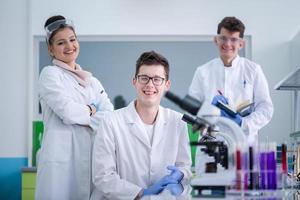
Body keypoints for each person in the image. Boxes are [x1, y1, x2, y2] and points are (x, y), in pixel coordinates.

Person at [90, 51, 192, 199]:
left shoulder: (178, 122)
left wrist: (181, 174)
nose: (150, 84)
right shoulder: (111, 121)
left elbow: (184, 166)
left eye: (157, 79)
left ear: (167, 85)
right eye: (144, 78)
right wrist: (140, 193)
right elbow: (103, 176)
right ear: (134, 81)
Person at [35, 15, 114, 200]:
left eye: (72, 39)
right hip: (61, 165)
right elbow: (68, 112)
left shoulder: (92, 81)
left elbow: (109, 115)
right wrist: (93, 110)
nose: (69, 46)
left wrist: (85, 113)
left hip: (91, 161)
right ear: (51, 49)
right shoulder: (50, 75)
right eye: (61, 43)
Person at [188, 16, 273, 144]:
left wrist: (243, 123)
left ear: (241, 44)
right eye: (223, 38)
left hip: (244, 145)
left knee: (241, 163)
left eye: (233, 39)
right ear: (216, 40)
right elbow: (190, 109)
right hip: (211, 146)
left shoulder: (253, 70)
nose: (227, 44)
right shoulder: (203, 72)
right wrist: (209, 108)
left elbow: (266, 108)